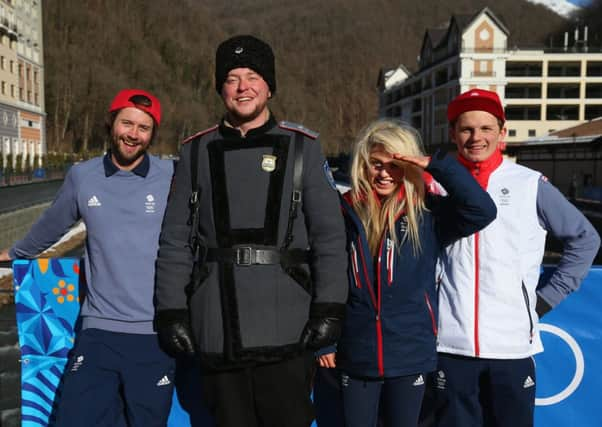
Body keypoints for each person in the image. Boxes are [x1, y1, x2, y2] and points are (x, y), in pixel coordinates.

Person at [153, 34, 348, 427]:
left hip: (288, 323)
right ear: (220, 88)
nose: (243, 87)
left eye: (253, 76)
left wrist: (330, 308)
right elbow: (175, 240)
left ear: (270, 85)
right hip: (217, 324)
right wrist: (171, 310)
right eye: (232, 78)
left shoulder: (303, 147)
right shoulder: (194, 151)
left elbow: (329, 237)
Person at [0, 89, 175, 427]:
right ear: (111, 123)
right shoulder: (83, 176)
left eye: (144, 128)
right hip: (99, 330)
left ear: (152, 134)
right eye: (127, 123)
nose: (133, 134)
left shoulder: (170, 177)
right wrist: (15, 253)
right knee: (73, 419)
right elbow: (52, 225)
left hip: (155, 334)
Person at [433, 88, 601, 427]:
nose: (476, 137)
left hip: (510, 348)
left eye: (485, 128)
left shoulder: (528, 184)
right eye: (466, 129)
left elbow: (585, 239)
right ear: (453, 134)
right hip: (449, 346)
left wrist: (545, 299)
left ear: (502, 133)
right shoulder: (435, 185)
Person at [317, 119, 497, 427]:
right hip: (355, 353)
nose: (384, 173)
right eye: (376, 164)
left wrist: (436, 165)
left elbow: (481, 209)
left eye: (396, 165)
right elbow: (322, 272)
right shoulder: (341, 211)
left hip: (410, 353)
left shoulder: (427, 213)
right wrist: (326, 341)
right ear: (363, 164)